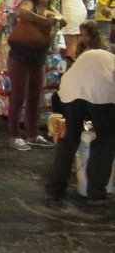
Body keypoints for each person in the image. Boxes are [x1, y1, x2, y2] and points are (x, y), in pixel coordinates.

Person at [45, 47, 115, 205]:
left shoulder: (94, 57)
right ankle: (96, 193)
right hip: (100, 90)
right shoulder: (109, 61)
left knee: (68, 140)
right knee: (105, 141)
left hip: (70, 90)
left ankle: (54, 190)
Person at [7, 0, 65, 151]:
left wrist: (53, 17)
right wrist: (44, 20)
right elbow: (22, 12)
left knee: (35, 97)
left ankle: (32, 134)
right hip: (20, 56)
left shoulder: (51, 9)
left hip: (38, 57)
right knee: (18, 96)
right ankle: (14, 135)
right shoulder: (29, 3)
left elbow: (63, 21)